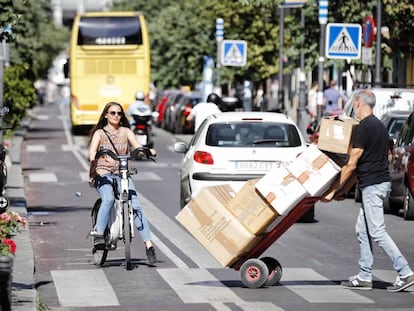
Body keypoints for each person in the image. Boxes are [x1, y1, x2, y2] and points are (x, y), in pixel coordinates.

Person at [325, 90, 414, 292]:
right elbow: (361, 167)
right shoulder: (380, 127)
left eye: (354, 105)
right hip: (375, 184)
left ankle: (405, 272)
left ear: (358, 103)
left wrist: (333, 189)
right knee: (362, 229)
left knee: (377, 231)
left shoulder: (364, 128)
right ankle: (365, 276)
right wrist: (344, 190)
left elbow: (351, 164)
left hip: (373, 186)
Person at [88, 102, 157, 265]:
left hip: (122, 174)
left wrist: (147, 151)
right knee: (109, 199)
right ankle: (99, 235)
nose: (116, 116)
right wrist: (94, 158)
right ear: (106, 115)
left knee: (136, 206)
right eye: (112, 113)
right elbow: (92, 152)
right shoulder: (99, 133)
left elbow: (138, 146)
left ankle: (149, 245)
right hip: (102, 174)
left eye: (119, 113)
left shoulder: (126, 131)